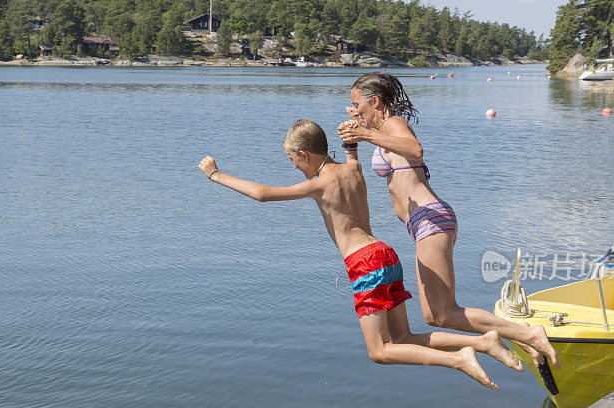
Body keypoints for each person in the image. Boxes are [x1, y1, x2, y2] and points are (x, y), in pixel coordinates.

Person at [198, 119, 525, 391]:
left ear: (304, 154)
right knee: (404, 337)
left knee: (380, 352)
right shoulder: (352, 169)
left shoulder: (319, 183)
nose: (295, 168)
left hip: (365, 263)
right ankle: (485, 343)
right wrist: (352, 134)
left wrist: (216, 174)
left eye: (293, 161)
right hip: (386, 254)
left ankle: (461, 358)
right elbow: (352, 152)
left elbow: (263, 194)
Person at [337, 72, 558, 370]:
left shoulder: (393, 124)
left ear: (375, 101)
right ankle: (520, 337)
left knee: (446, 311)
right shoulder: (385, 126)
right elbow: (389, 141)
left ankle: (528, 333)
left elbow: (415, 150)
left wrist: (366, 134)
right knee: (433, 316)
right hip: (422, 224)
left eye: (357, 104)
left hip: (430, 218)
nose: (354, 110)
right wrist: (361, 128)